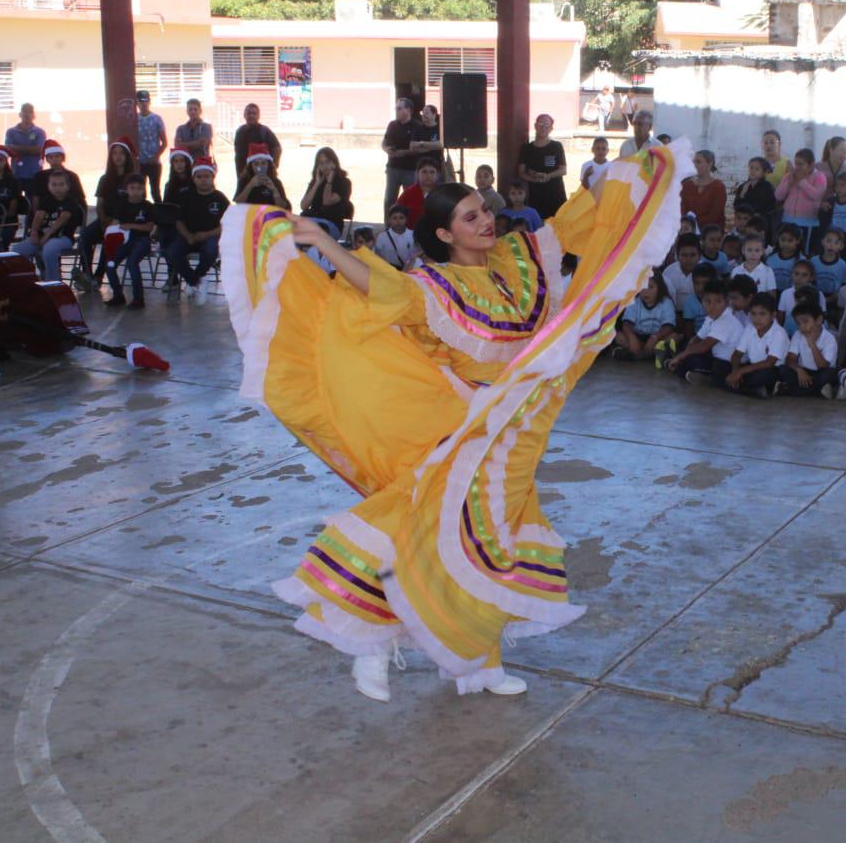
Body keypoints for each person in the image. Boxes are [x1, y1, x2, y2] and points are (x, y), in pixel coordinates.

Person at [218, 142, 688, 699]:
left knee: (492, 542)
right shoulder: (432, 286)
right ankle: (367, 640)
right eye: (470, 217)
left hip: (511, 426)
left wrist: (614, 176)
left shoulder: (520, 257)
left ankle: (476, 665)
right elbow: (379, 287)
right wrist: (323, 241)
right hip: (452, 424)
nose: (486, 220)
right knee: (422, 527)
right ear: (445, 235)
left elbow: (576, 223)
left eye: (484, 210)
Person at [166, 157, 229, 306]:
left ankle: (195, 279)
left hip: (210, 236)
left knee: (211, 250)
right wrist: (188, 236)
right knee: (172, 252)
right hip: (190, 237)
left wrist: (206, 234)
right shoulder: (187, 197)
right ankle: (196, 281)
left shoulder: (220, 199)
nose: (203, 180)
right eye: (199, 177)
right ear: (193, 179)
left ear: (213, 177)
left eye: (206, 176)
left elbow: (227, 224)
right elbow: (179, 221)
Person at [76, 137, 137, 290]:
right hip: (105, 220)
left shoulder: (134, 179)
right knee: (84, 238)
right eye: (114, 153)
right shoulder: (105, 179)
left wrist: (114, 223)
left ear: (127, 156)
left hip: (123, 224)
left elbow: (136, 205)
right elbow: (100, 204)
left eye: (121, 153)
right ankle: (87, 275)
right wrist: (103, 219)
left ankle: (98, 277)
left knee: (108, 239)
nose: (118, 156)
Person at [10, 171, 83, 282]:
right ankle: (25, 280)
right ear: (49, 186)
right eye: (54, 185)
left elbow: (61, 220)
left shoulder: (71, 201)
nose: (57, 188)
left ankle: (53, 282)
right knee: (17, 251)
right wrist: (33, 232)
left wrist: (46, 237)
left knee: (48, 250)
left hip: (62, 237)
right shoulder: (47, 200)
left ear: (68, 186)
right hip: (42, 236)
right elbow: (39, 216)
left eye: (61, 184)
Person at [667, 277, 742, 384]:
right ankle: (688, 370)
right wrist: (685, 355)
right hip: (714, 356)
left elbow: (705, 345)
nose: (712, 306)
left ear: (726, 302)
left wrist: (681, 356)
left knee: (713, 366)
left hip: (728, 363)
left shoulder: (726, 320)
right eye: (708, 301)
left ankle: (708, 379)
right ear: (702, 301)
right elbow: (697, 338)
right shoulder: (711, 317)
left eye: (718, 301)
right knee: (688, 351)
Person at [104, 173, 153, 309]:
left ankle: (138, 298)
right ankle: (118, 295)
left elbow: (149, 227)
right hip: (124, 239)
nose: (135, 191)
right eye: (132, 188)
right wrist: (110, 234)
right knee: (109, 264)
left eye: (139, 188)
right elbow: (115, 223)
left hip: (142, 239)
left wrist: (131, 226)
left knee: (132, 263)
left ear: (143, 190)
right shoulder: (122, 205)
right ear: (127, 189)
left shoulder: (147, 206)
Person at [725, 293, 788, 398]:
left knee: (762, 376)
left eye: (762, 314)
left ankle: (732, 385)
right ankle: (755, 390)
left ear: (773, 315)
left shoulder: (779, 333)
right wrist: (735, 371)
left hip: (772, 370)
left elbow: (769, 363)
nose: (757, 318)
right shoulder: (750, 328)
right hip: (752, 367)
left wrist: (740, 372)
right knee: (722, 366)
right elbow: (737, 354)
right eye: (753, 314)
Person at [777, 299, 838, 397]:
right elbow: (790, 359)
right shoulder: (798, 335)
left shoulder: (829, 339)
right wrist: (799, 370)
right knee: (782, 369)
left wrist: (812, 344)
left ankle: (792, 390)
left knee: (828, 375)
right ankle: (817, 392)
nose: (802, 327)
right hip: (803, 371)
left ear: (819, 320)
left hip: (821, 372)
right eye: (798, 323)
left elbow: (823, 365)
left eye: (805, 322)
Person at [613, 274, 678, 364]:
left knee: (674, 337)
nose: (645, 291)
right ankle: (652, 354)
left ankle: (636, 355)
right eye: (642, 287)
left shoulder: (666, 302)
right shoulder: (634, 301)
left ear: (659, 288)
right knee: (619, 336)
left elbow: (668, 327)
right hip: (638, 337)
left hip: (658, 337)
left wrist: (655, 337)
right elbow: (627, 324)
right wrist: (632, 337)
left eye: (650, 287)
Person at [774, 148, 827, 254]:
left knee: (803, 252)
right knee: (785, 251)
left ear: (811, 165)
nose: (797, 167)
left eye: (800, 164)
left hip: (807, 223)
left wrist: (801, 181)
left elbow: (816, 195)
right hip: (787, 221)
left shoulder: (819, 177)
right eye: (796, 164)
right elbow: (778, 196)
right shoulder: (789, 176)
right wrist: (789, 183)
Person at [517, 114, 568, 219]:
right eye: (540, 124)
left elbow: (563, 170)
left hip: (556, 194)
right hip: (535, 194)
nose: (543, 127)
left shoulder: (556, 146)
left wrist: (548, 176)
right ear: (535, 126)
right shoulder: (527, 148)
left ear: (551, 129)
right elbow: (521, 172)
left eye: (547, 125)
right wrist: (534, 179)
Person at [299, 147, 352, 239]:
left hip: (331, 223)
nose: (325, 166)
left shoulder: (344, 182)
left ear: (334, 163)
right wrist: (316, 184)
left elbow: (327, 201)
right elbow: (303, 206)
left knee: (314, 232)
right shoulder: (316, 181)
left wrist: (329, 182)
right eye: (321, 163)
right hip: (313, 220)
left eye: (327, 162)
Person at [382, 98, 421, 211]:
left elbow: (417, 148)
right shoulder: (392, 125)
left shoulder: (417, 126)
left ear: (408, 110)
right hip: (392, 167)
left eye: (399, 108)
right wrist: (386, 149)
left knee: (410, 199)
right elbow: (384, 142)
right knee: (389, 199)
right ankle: (388, 226)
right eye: (396, 108)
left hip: (410, 169)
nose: (396, 111)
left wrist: (402, 153)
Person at [4, 103, 46, 200]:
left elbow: (38, 150)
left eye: (30, 112)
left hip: (34, 173)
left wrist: (16, 147)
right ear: (20, 114)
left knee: (32, 201)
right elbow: (9, 149)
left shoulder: (40, 132)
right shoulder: (10, 131)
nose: (27, 114)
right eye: (24, 111)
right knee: (15, 200)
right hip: (16, 173)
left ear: (34, 115)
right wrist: (29, 149)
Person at [681, 150, 727, 231]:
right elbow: (682, 209)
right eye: (693, 162)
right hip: (687, 230)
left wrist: (694, 224)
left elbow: (715, 215)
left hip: (710, 233)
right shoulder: (686, 185)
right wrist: (686, 224)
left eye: (698, 162)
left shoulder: (718, 187)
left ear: (710, 164)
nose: (694, 165)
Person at [232, 103, 282, 177]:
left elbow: (277, 148)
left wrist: (273, 166)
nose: (251, 115)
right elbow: (238, 154)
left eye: (254, 113)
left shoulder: (265, 131)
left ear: (258, 116)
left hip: (262, 172)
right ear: (244, 115)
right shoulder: (239, 131)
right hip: (244, 173)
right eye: (249, 113)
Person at [234, 144, 291, 209]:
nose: (260, 167)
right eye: (256, 164)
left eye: (263, 163)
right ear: (251, 166)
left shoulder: (275, 181)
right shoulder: (244, 180)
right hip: (250, 216)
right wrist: (250, 185)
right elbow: (238, 203)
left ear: (268, 165)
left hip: (269, 216)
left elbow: (283, 207)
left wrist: (274, 190)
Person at [135, 90, 168, 202]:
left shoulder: (156, 119)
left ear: (149, 102)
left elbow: (164, 142)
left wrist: (155, 156)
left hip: (154, 163)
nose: (144, 104)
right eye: (141, 101)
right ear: (137, 103)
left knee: (155, 191)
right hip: (140, 162)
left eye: (146, 101)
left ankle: (160, 216)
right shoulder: (134, 119)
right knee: (140, 191)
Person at [31, 140, 86, 205]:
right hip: (46, 210)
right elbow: (35, 198)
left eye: (57, 156)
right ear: (47, 159)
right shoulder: (39, 176)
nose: (54, 159)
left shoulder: (72, 176)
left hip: (69, 209)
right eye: (50, 157)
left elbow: (80, 198)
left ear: (63, 158)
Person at [733, 157, 776, 223]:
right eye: (751, 168)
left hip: (759, 222)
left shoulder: (767, 187)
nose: (753, 171)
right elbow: (736, 205)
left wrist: (756, 215)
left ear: (764, 172)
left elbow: (770, 206)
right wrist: (742, 195)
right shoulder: (743, 186)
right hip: (743, 222)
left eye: (757, 169)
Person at [374, 204, 414, 270]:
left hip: (409, 270)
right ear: (389, 220)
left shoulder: (413, 235)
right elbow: (377, 254)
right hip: (388, 270)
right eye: (394, 218)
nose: (398, 221)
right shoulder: (382, 237)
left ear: (406, 219)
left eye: (401, 218)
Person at [410, 104, 444, 171]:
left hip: (436, 167)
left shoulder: (440, 128)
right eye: (422, 113)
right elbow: (412, 146)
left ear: (434, 115)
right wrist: (433, 146)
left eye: (426, 113)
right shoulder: (418, 128)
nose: (423, 115)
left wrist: (421, 144)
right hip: (420, 167)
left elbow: (441, 144)